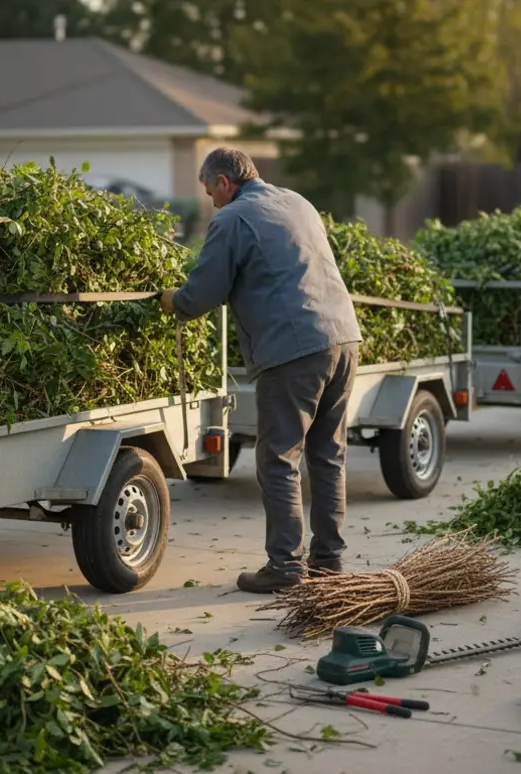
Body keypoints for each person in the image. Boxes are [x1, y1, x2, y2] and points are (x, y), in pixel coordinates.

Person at [159, 148, 362, 594]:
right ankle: (328, 563)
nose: (211, 200)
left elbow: (202, 294)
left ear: (226, 182)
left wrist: (172, 298)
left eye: (210, 190)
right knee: (328, 456)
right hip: (344, 339)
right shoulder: (297, 202)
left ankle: (286, 568)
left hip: (293, 349)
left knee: (277, 459)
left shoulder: (232, 220)